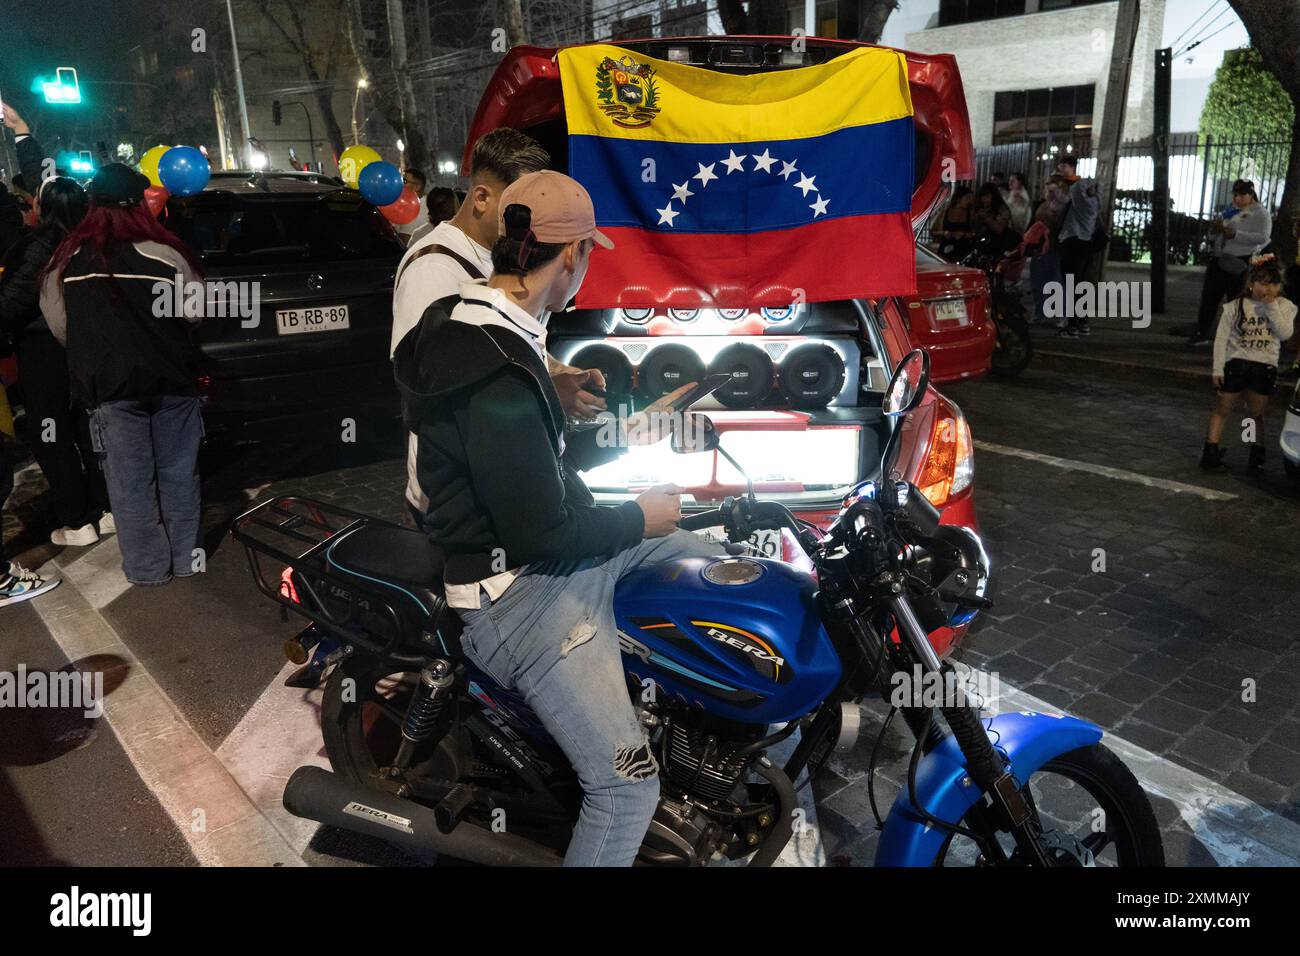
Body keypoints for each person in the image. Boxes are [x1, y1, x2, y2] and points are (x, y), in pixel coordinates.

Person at [395, 170, 723, 865]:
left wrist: (635, 432)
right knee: (626, 788)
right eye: (591, 253)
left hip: (551, 554)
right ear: (570, 256)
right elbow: (537, 531)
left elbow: (531, 462)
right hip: (516, 595)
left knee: (710, 561)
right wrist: (639, 518)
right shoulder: (499, 370)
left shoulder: (485, 323)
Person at [390, 128, 606, 526]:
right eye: (518, 202)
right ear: (483, 197)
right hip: (454, 501)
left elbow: (515, 342)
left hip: (493, 477)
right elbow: (433, 388)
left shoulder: (500, 257)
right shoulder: (435, 268)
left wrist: (559, 371)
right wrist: (541, 392)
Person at [39, 164, 205, 586]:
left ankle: (149, 571)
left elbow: (60, 326)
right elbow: (194, 312)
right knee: (179, 476)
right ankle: (188, 561)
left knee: (130, 485)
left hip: (109, 390)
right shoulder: (166, 255)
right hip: (173, 384)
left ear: (93, 205)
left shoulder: (67, 261)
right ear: (140, 206)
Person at [1, 175, 115, 547]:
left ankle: (77, 519)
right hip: (91, 348)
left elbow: (14, 303)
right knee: (90, 428)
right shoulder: (96, 242)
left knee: (51, 433)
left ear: (44, 207)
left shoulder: (37, 246)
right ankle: (109, 508)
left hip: (45, 353)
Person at [1202, 259, 1295, 472]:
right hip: (1237, 364)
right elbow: (1221, 339)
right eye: (1262, 282)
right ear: (1251, 283)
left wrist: (1271, 307)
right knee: (1223, 408)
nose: (1267, 288)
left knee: (1255, 413)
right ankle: (1210, 451)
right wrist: (1217, 368)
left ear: (1280, 286)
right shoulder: (1234, 307)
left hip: (1264, 366)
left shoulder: (1284, 307)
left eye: (1273, 283)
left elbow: (1285, 334)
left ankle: (1254, 451)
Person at [1191, 180, 1272, 347]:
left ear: (1251, 195)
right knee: (1209, 298)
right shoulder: (1231, 210)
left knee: (1235, 302)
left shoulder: (1260, 213)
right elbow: (1218, 234)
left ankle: (1235, 338)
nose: (1238, 199)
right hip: (1219, 258)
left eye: (1242, 195)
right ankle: (1202, 333)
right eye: (1235, 195)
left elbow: (1263, 237)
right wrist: (1215, 231)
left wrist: (1236, 234)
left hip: (1239, 260)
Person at [1055, 155, 1099, 338]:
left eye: (1063, 165)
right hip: (1086, 243)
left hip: (1073, 242)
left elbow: (1060, 203)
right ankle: (1083, 323)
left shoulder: (1076, 196)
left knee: (1072, 284)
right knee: (1083, 283)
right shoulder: (1093, 202)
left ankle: (1072, 326)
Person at [931, 186, 977, 261]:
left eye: (971, 199)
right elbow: (933, 231)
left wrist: (963, 234)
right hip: (945, 251)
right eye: (967, 198)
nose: (969, 201)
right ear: (959, 199)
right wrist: (944, 233)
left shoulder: (970, 214)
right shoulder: (945, 212)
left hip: (962, 252)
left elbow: (975, 233)